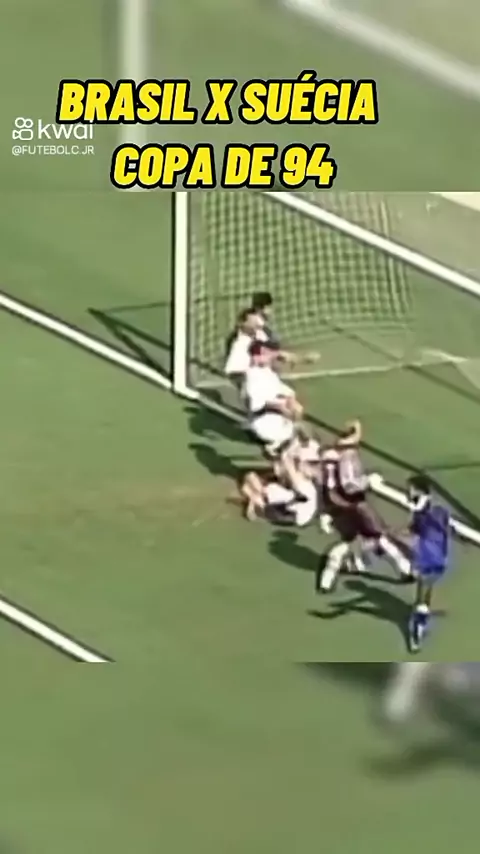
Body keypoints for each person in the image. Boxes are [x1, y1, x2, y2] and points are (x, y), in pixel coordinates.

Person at [319, 421, 412, 592]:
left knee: (352, 540)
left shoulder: (328, 457)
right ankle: (404, 569)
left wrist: (325, 510)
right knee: (378, 537)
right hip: (353, 505)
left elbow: (325, 486)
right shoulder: (347, 455)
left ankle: (329, 578)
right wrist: (368, 481)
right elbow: (349, 485)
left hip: (336, 507)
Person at [404, 474, 451, 653]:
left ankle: (417, 631)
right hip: (432, 556)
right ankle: (419, 628)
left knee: (423, 597)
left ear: (420, 491)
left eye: (411, 489)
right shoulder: (424, 511)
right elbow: (418, 528)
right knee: (424, 593)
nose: (408, 492)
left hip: (431, 557)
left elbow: (435, 525)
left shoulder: (434, 511)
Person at [240, 435, 320, 525]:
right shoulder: (306, 482)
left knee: (250, 479)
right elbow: (284, 470)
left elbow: (288, 466)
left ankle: (257, 500)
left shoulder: (305, 487)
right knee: (250, 480)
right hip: (292, 509)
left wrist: (287, 452)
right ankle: (256, 498)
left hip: (288, 512)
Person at [244, 340, 303, 458]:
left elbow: (286, 391)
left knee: (296, 410)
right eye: (264, 353)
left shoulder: (267, 372)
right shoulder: (253, 377)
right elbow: (258, 405)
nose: (268, 356)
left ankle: (280, 443)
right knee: (291, 437)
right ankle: (276, 446)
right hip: (263, 421)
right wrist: (283, 408)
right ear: (255, 357)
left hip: (276, 416)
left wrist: (291, 400)